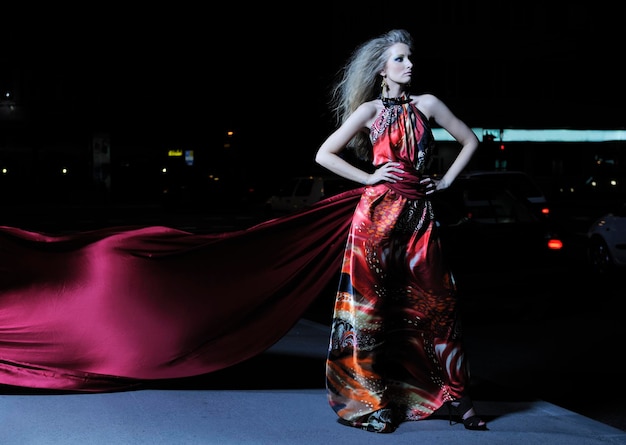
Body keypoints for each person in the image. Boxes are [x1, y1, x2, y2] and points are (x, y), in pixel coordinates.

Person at [315, 29, 487, 433]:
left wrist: (444, 182)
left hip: (419, 217)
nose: (410, 65)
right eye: (400, 59)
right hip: (375, 219)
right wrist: (370, 177)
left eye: (411, 58)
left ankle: (458, 401)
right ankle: (374, 400)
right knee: (372, 311)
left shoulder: (428, 104)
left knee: (438, 305)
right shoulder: (370, 111)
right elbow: (324, 154)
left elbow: (470, 140)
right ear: (381, 68)